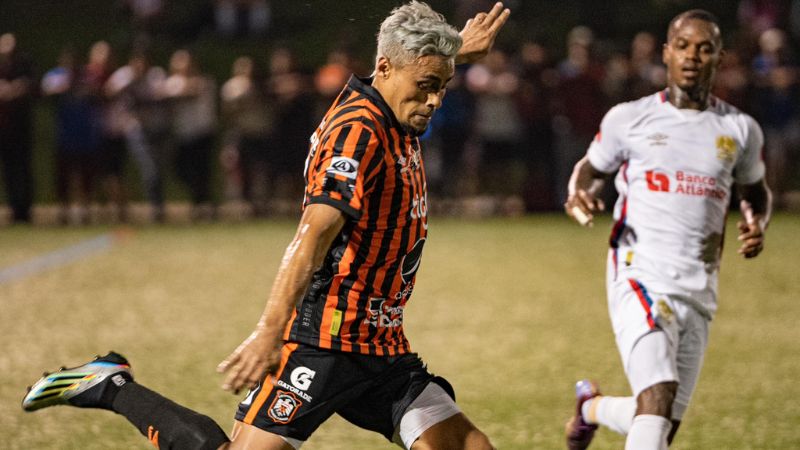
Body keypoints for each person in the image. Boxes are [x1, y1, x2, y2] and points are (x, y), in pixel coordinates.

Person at [22, 2, 510, 450]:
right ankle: (110, 386)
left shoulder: (395, 100)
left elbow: (416, 67)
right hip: (324, 341)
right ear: (384, 68)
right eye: (426, 86)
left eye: (441, 85)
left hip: (380, 346)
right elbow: (313, 235)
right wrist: (270, 332)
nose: (435, 100)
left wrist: (455, 52)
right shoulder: (357, 134)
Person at [563, 10, 772, 450]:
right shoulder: (630, 119)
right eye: (683, 46)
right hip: (640, 274)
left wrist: (757, 222)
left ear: (719, 57)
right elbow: (590, 170)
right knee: (657, 400)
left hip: (698, 287)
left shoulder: (739, 130)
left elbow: (756, 191)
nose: (692, 56)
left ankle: (590, 408)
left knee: (658, 421)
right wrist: (580, 193)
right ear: (666, 54)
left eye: (704, 48)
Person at [0, 32, 35, 224]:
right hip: (4, 130)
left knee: (23, 169)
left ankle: (25, 210)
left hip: (21, 129)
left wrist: (14, 89)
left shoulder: (24, 65)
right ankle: (14, 209)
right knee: (9, 171)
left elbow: (31, 87)